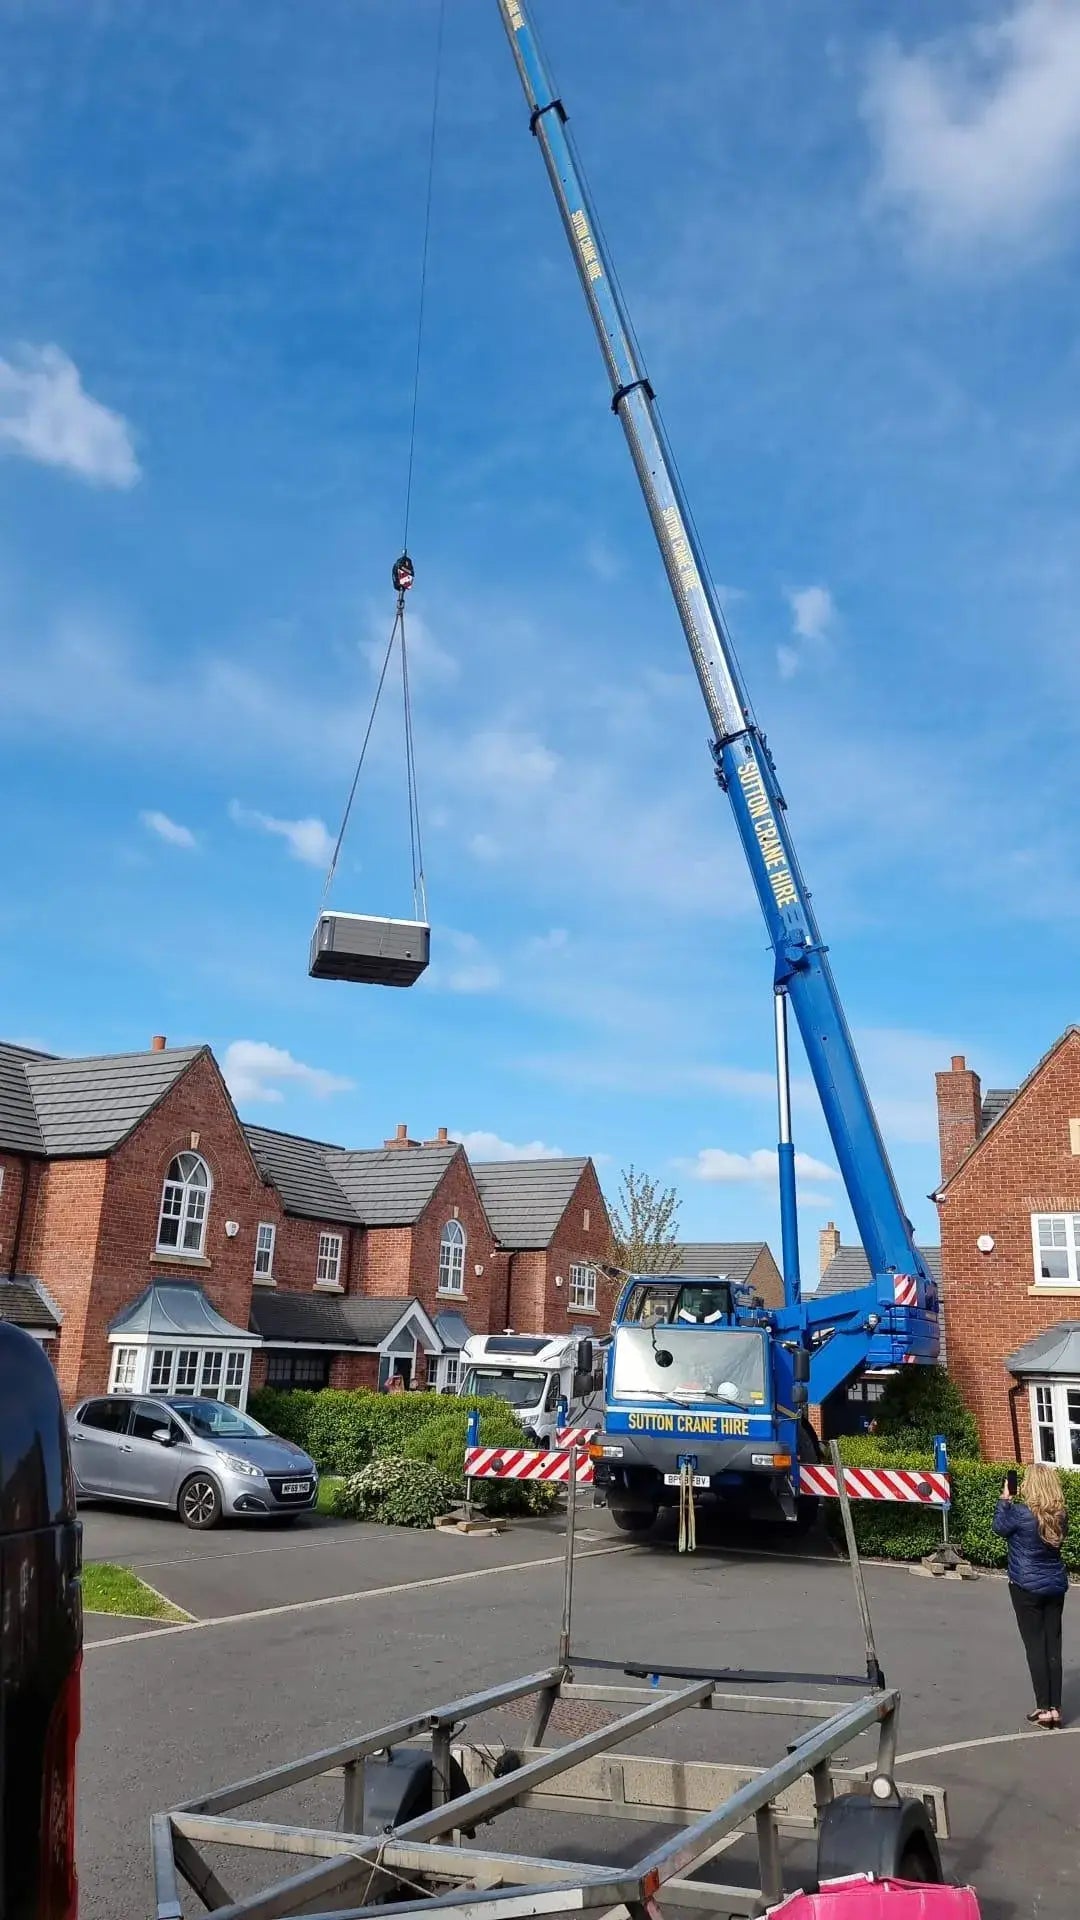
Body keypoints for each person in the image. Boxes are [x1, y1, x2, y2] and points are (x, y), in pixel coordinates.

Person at [993, 1463, 1069, 1728]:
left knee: (1035, 1646)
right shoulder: (1060, 1515)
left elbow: (999, 1528)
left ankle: (1044, 1707)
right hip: (1054, 1586)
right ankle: (1056, 1708)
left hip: (1025, 1586)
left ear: (1031, 1486)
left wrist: (1005, 1499)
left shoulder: (1020, 1514)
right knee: (1053, 1647)